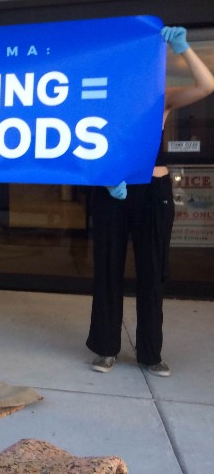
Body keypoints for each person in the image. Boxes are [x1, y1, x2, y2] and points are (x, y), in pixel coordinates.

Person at [87, 26, 214, 377]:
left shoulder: (160, 97)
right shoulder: (98, 99)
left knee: (152, 271)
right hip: (112, 190)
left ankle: (150, 354)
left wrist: (184, 50)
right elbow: (76, 146)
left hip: (152, 192)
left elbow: (206, 86)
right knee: (108, 269)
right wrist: (107, 177)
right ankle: (105, 348)